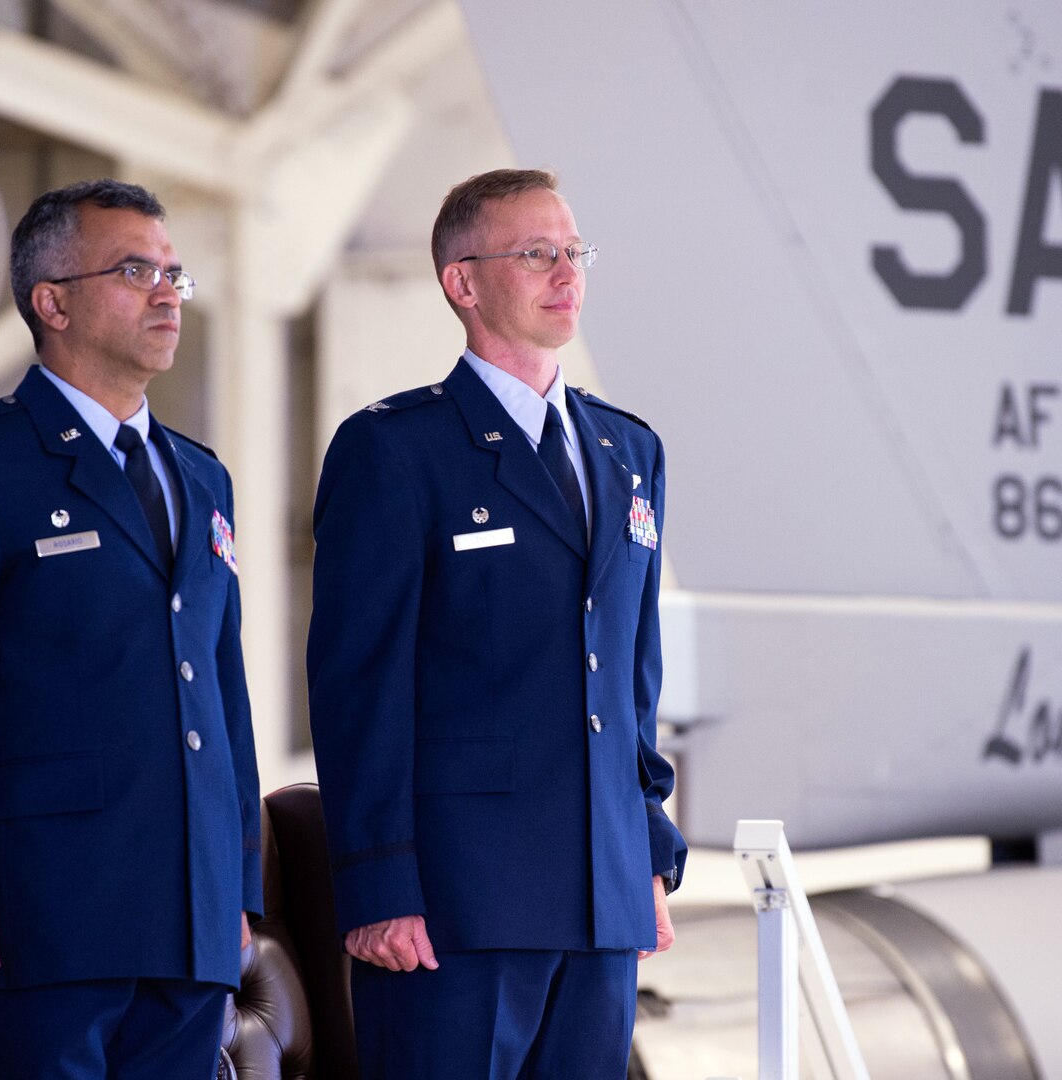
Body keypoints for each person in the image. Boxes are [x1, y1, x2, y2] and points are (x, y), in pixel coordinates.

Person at [0, 178, 261, 1079]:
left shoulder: (202, 479)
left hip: (189, 921)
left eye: (173, 273)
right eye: (133, 270)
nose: (166, 292)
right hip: (36, 914)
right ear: (52, 303)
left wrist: (236, 884)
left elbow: (223, 691)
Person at [307, 168, 686, 1078]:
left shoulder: (627, 450)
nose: (566, 272)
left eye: (573, 252)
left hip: (600, 898)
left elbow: (631, 677)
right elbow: (360, 685)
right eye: (535, 253)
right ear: (463, 283)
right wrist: (379, 884)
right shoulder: (396, 450)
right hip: (453, 903)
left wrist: (647, 854)